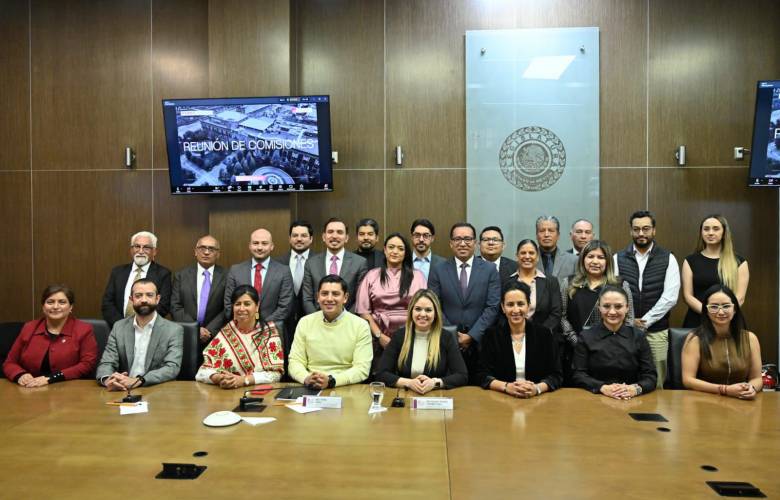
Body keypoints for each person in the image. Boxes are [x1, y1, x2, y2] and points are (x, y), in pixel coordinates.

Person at [429, 222, 501, 384]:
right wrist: (453, 334)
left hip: (481, 344)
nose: (462, 243)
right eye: (458, 239)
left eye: (467, 239)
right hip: (446, 342)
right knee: (450, 389)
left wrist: (472, 335)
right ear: (451, 243)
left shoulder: (490, 270)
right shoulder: (438, 270)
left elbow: (493, 307)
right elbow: (434, 305)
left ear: (475, 243)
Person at [614, 210, 680, 389]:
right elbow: (614, 294)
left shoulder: (668, 258)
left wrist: (644, 321)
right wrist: (630, 321)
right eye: (636, 229)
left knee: (657, 380)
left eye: (646, 229)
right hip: (624, 331)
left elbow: (670, 297)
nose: (641, 233)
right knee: (625, 376)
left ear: (654, 231)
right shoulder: (617, 258)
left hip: (657, 332)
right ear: (631, 231)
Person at [477, 282, 562, 398]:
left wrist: (536, 389)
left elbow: (556, 375)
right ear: (503, 307)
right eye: (510, 304)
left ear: (528, 306)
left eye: (520, 304)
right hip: (502, 399)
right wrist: (506, 387)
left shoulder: (544, 334)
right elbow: (482, 374)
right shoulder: (491, 335)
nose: (516, 310)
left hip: (538, 400)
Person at [96, 279, 183, 389]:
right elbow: (107, 362)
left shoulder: (173, 330)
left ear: (157, 299)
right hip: (122, 389)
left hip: (157, 389)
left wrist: (139, 380)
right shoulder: (119, 327)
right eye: (138, 296)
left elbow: (172, 368)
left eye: (149, 295)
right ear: (131, 299)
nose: (144, 300)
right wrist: (108, 379)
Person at [288, 275, 373, 388]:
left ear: (345, 297)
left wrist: (332, 381)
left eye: (335, 294)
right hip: (310, 386)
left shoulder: (360, 325)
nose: (329, 299)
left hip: (346, 387)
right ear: (318, 297)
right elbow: (295, 361)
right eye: (324, 294)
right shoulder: (305, 322)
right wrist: (306, 378)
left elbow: (362, 369)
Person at [572, 285, 656, 398]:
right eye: (606, 306)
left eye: (618, 306)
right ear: (599, 308)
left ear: (627, 308)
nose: (612, 312)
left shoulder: (639, 336)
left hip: (630, 398)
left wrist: (634, 389)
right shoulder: (586, 336)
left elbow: (650, 376)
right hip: (595, 397)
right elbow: (578, 374)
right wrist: (602, 387)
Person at [355, 233, 426, 367]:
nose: (395, 251)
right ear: (385, 250)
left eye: (400, 248)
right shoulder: (372, 275)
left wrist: (409, 337)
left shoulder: (417, 276)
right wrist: (379, 336)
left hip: (411, 337)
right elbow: (363, 312)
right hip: (377, 337)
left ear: (406, 253)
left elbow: (424, 309)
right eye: (391, 247)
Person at [375, 289, 467, 393]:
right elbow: (381, 374)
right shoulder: (399, 336)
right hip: (406, 396)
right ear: (411, 311)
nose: (423, 314)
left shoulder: (446, 337)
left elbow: (462, 375)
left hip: (435, 398)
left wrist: (435, 383)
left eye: (428, 310)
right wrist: (408, 383)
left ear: (436, 313)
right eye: (418, 309)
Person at [3, 285, 98, 386]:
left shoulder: (84, 330)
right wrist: (20, 375)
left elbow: (87, 365)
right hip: (30, 389)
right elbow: (10, 362)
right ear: (43, 306)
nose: (56, 307)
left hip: (69, 389)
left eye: (62, 302)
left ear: (71, 307)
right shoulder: (29, 327)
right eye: (50, 302)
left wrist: (51, 378)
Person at [195, 285, 285, 388]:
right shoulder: (226, 333)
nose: (242, 309)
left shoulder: (269, 333)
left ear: (257, 306)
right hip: (227, 395)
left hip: (259, 393)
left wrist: (244, 380)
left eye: (247, 304)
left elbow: (276, 374)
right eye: (237, 304)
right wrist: (219, 378)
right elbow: (202, 372)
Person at [681, 285, 762, 399]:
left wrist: (751, 388)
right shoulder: (695, 339)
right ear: (706, 311)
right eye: (714, 307)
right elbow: (688, 380)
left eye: (726, 306)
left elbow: (757, 378)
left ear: (734, 309)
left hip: (741, 401)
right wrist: (725, 390)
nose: (720, 312)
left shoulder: (750, 338)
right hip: (705, 401)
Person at [682, 214, 749, 328]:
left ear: (724, 233)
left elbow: (740, 298)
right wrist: (708, 312)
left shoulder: (739, 262)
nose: (710, 233)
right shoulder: (690, 261)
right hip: (698, 320)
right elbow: (688, 296)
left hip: (728, 321)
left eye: (716, 228)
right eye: (706, 229)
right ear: (701, 233)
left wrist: (722, 313)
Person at [101, 231, 172, 328]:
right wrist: (122, 326)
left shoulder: (163, 274)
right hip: (118, 328)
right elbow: (107, 303)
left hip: (149, 329)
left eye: (146, 247)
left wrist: (141, 323)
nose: (141, 251)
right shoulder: (117, 272)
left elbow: (163, 305)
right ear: (131, 250)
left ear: (154, 251)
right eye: (137, 246)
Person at [224, 228, 294, 324]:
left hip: (272, 329)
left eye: (264, 243)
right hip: (241, 328)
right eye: (255, 243)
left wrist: (261, 326)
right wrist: (246, 323)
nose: (260, 247)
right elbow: (228, 304)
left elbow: (285, 307)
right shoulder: (235, 271)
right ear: (249, 246)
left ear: (272, 246)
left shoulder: (283, 271)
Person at [301, 218, 368, 314]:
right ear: (324, 237)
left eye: (339, 232)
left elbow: (361, 299)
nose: (334, 236)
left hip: (348, 323)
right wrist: (317, 320)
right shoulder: (311, 263)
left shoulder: (359, 263)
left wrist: (345, 320)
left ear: (346, 238)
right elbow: (307, 299)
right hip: (318, 322)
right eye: (330, 232)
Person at [171, 235, 227, 348]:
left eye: (211, 249)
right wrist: (195, 329)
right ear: (195, 251)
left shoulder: (228, 276)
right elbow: (175, 306)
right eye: (202, 248)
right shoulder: (181, 275)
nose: (206, 252)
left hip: (215, 338)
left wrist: (209, 330)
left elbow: (228, 307)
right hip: (186, 335)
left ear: (218, 254)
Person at [505, 239, 562, 333]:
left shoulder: (551, 281)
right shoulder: (508, 281)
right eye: (523, 253)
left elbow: (556, 313)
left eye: (531, 253)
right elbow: (503, 312)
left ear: (537, 257)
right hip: (514, 335)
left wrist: (539, 333)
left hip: (544, 336)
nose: (527, 256)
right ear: (517, 256)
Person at [277, 220, 314, 355]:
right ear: (289, 238)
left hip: (312, 320)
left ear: (311, 239)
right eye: (295, 235)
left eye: (303, 235)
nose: (299, 239)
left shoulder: (319, 262)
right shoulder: (278, 263)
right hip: (284, 322)